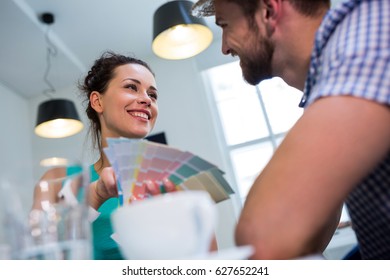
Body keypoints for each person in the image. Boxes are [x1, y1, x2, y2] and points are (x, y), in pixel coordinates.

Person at [192, 0, 390, 259]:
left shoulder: (370, 36)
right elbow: (309, 232)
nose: (225, 46)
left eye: (225, 25)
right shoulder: (326, 82)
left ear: (268, 11)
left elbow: (263, 238)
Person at [33, 51, 177, 259]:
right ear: (97, 102)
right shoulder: (55, 181)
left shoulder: (177, 181)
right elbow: (39, 259)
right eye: (131, 87)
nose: (146, 99)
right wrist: (97, 194)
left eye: (152, 95)